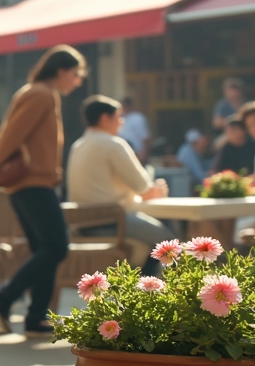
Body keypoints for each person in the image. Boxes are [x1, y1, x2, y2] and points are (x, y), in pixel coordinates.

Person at [0, 45, 87, 338]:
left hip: (30, 183)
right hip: (32, 183)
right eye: (76, 74)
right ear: (62, 70)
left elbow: (9, 134)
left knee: (46, 250)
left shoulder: (38, 93)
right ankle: (5, 299)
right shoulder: (40, 94)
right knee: (56, 247)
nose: (77, 81)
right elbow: (11, 135)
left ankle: (36, 317)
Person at [66, 95, 175, 277]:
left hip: (81, 224)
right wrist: (160, 190)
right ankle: (152, 291)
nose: (121, 122)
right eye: (118, 117)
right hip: (114, 221)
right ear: (105, 118)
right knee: (169, 243)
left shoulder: (78, 145)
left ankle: (145, 287)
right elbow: (145, 190)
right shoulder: (113, 144)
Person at [117, 97, 150, 162]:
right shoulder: (118, 119)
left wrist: (141, 157)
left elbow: (146, 139)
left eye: (124, 106)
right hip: (121, 155)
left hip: (136, 154)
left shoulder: (138, 118)